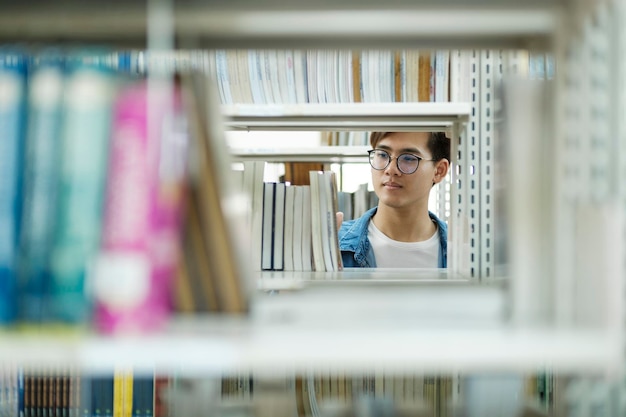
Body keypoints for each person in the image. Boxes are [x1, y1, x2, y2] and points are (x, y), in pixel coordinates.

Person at [338, 131, 450, 268]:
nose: (391, 169)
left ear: (439, 171)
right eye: (383, 155)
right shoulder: (333, 245)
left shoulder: (464, 251)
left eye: (408, 158)